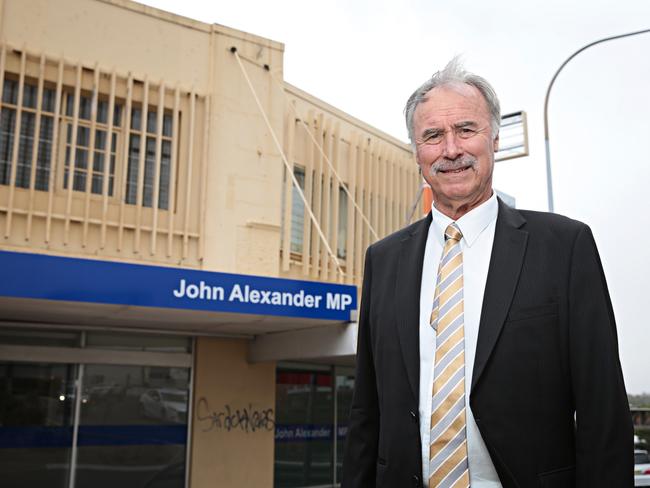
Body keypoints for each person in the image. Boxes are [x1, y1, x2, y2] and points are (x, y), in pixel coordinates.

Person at [341, 58, 633, 488]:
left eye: (466, 129)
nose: (451, 149)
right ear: (416, 152)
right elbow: (367, 410)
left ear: (494, 138)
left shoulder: (564, 247)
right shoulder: (383, 260)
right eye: (433, 136)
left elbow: (602, 409)